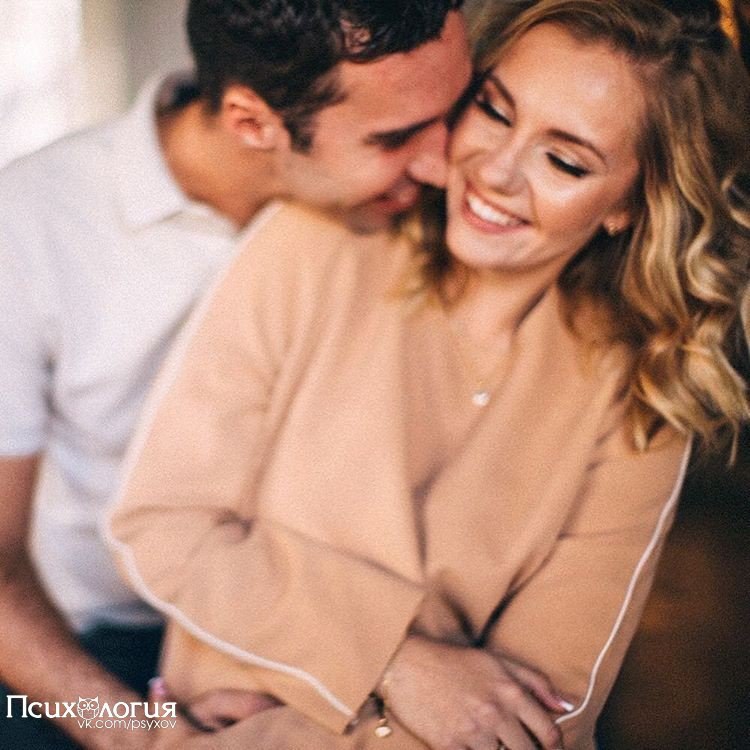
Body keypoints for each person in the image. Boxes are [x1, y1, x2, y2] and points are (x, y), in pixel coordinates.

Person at [108, 0, 750, 748]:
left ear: (632, 204)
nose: (495, 171)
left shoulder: (644, 391)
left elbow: (540, 718)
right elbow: (162, 529)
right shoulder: (315, 242)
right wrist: (396, 662)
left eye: (566, 161)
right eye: (494, 111)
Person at [0, 2, 472, 747]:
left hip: (340, 615)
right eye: (393, 136)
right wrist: (148, 732)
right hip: (94, 650)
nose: (446, 165)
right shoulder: (26, 229)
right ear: (253, 124)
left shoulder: (421, 211)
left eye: (457, 112)